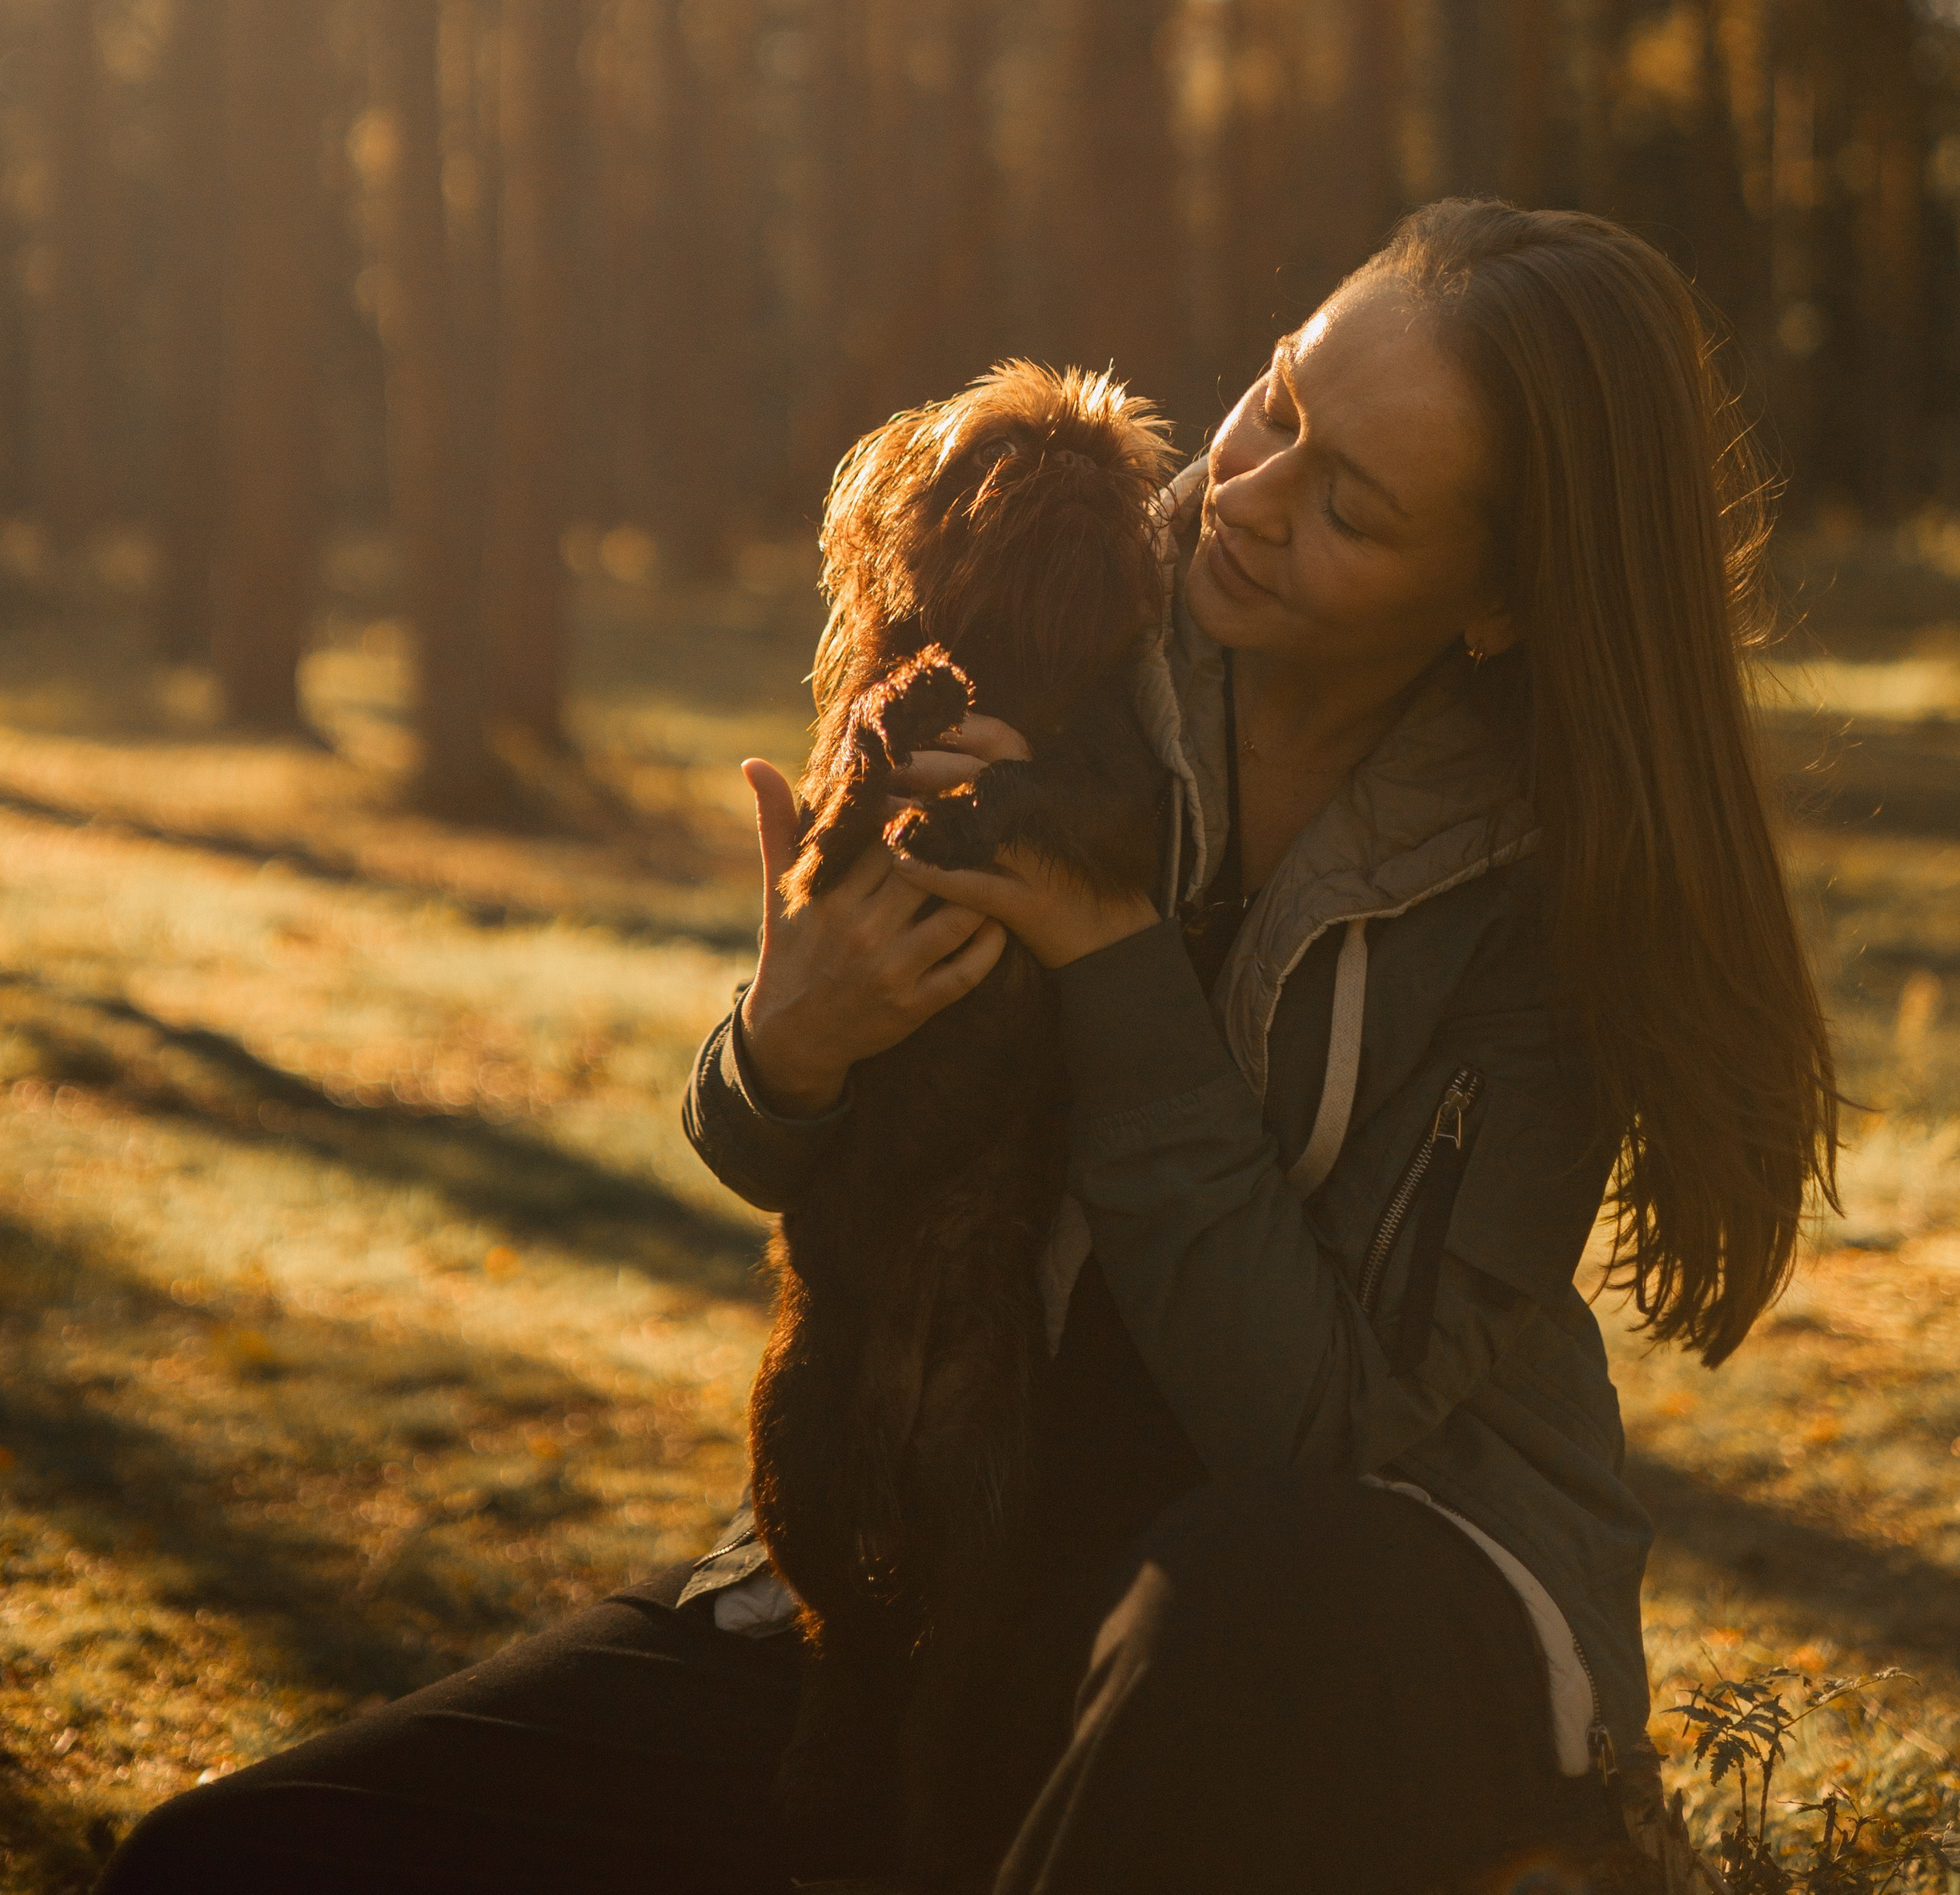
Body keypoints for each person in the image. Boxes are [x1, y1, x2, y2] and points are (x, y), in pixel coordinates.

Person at [98, 199, 1836, 1895]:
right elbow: (767, 1131)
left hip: (1369, 1602)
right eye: (1275, 403)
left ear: (1497, 602)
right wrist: (787, 1045)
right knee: (232, 1861)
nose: (1237, 496)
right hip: (956, 1547)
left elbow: (1313, 1428)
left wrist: (1113, 958)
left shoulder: (1553, 902)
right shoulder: (1051, 612)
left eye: (1350, 506)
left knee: (1245, 1582)